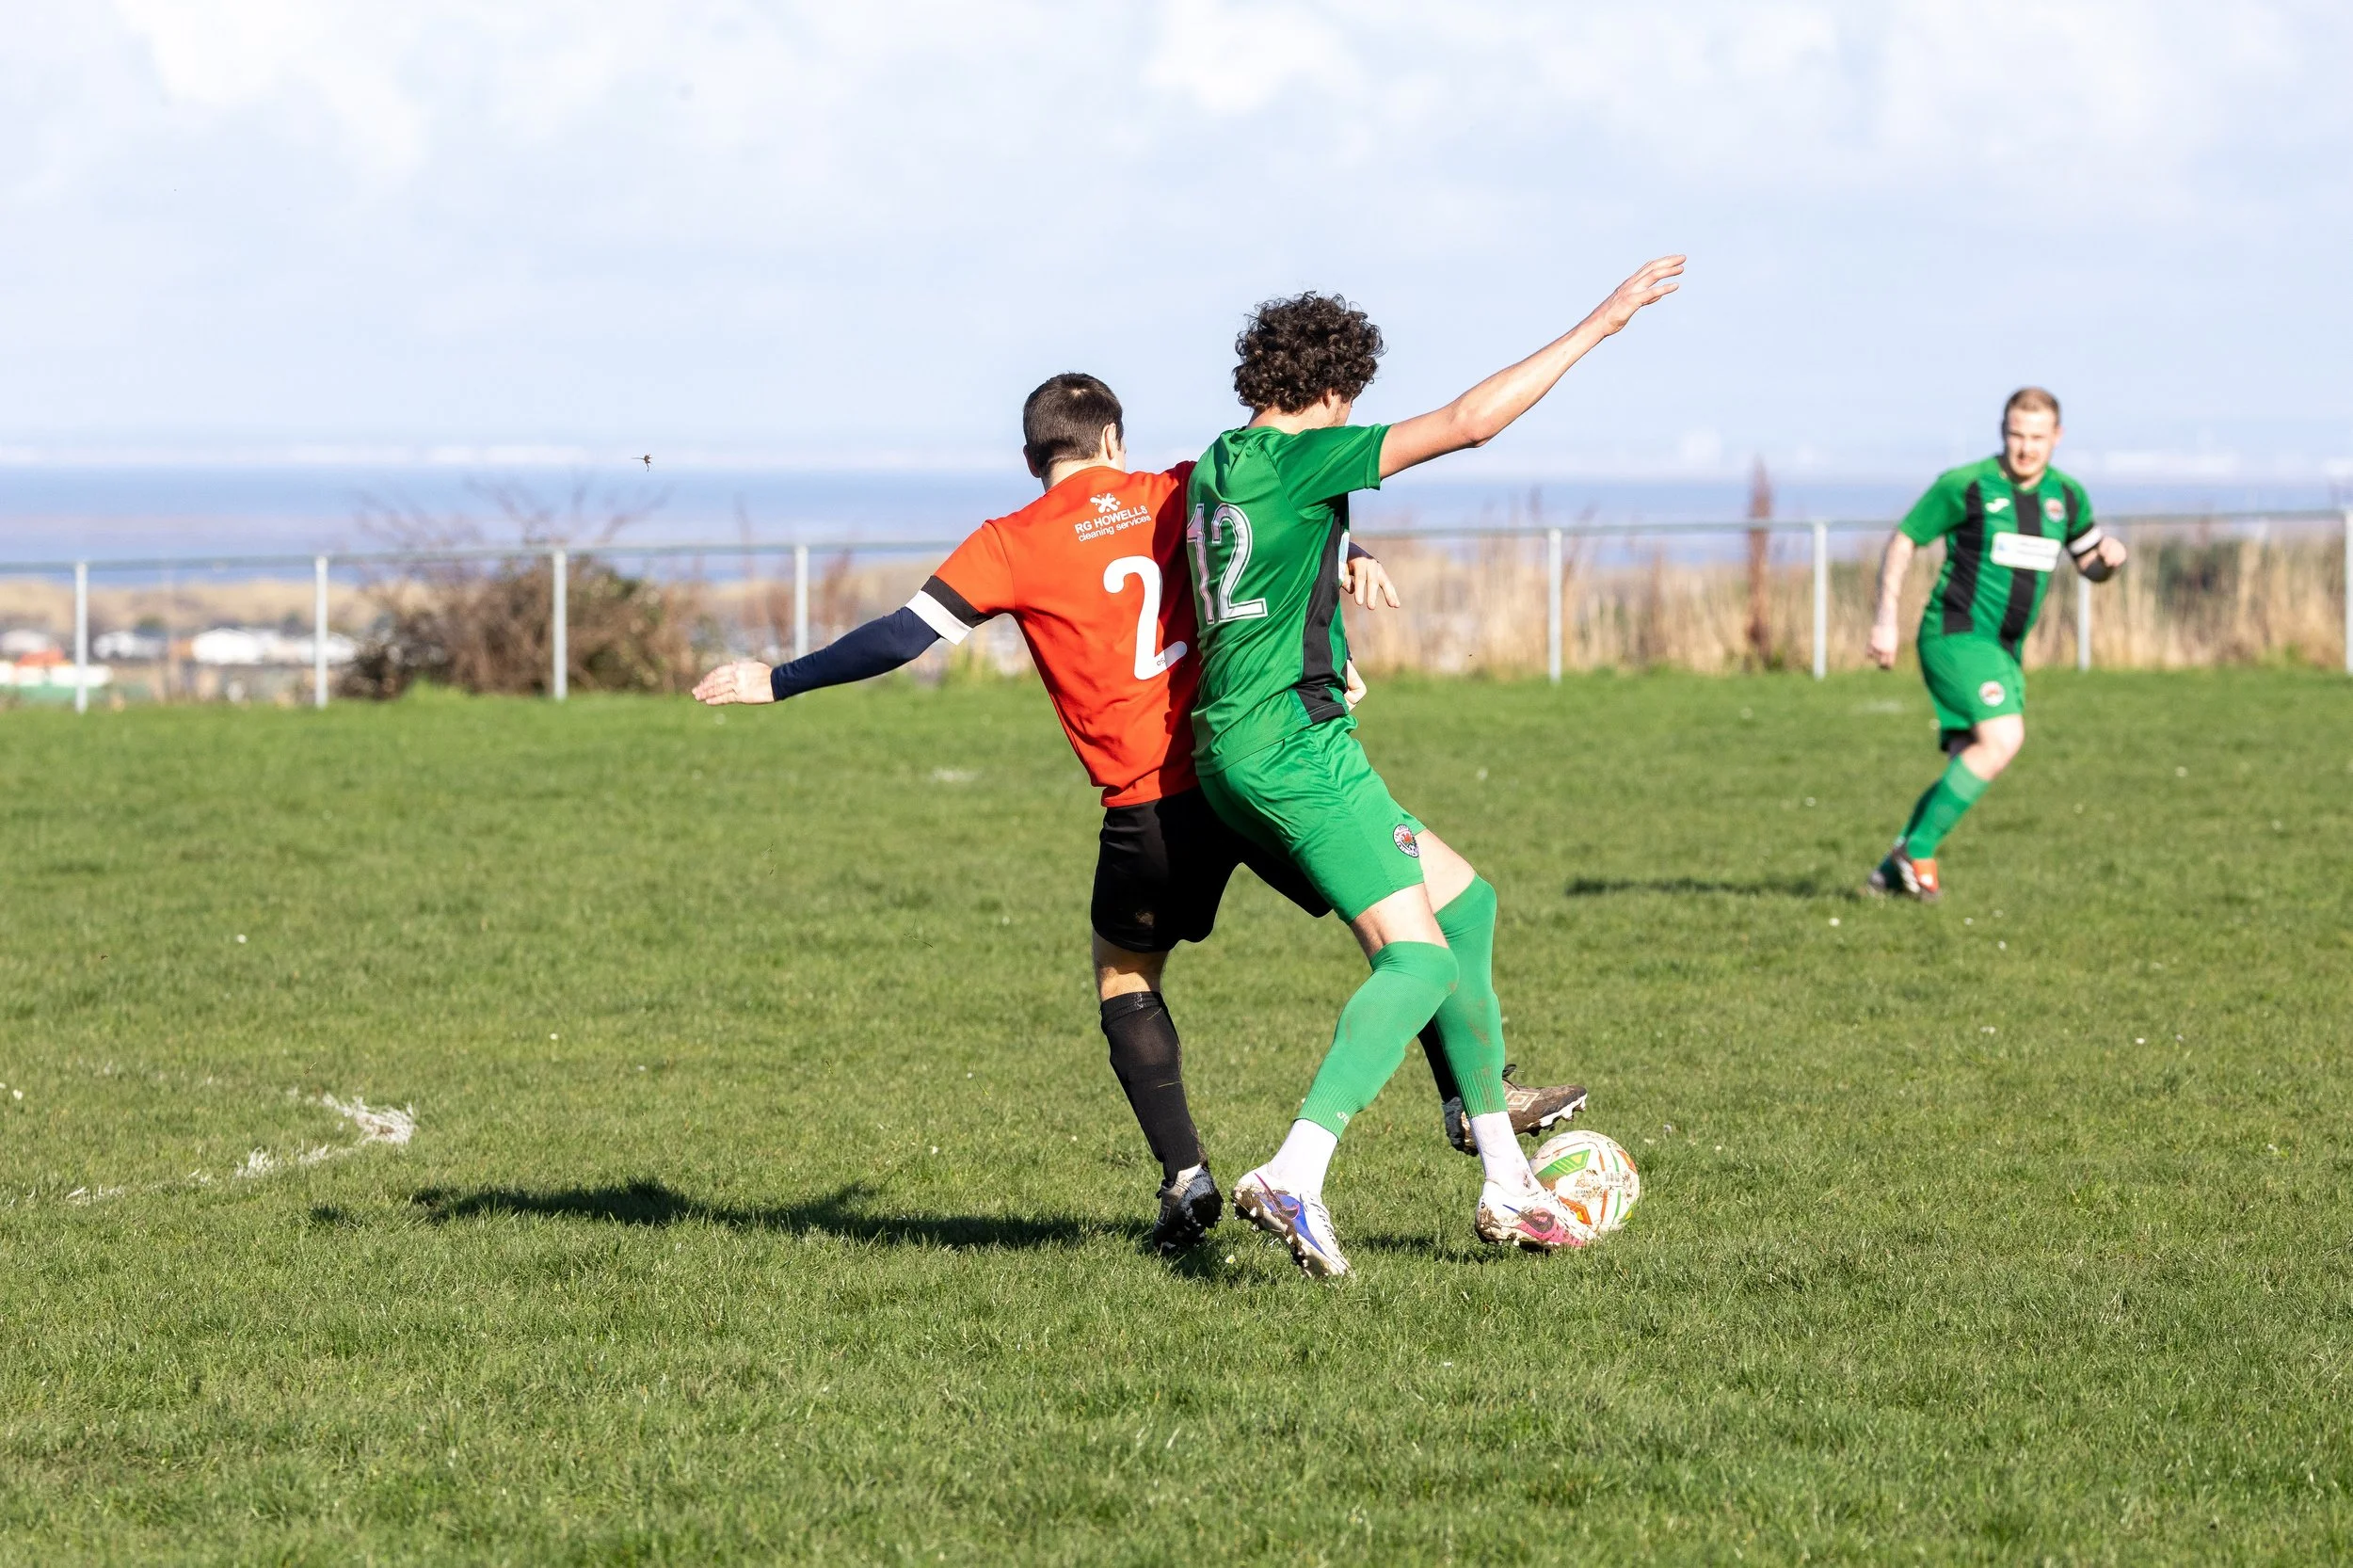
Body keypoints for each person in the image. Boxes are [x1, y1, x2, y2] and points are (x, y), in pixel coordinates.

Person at [692, 374, 1586, 1256]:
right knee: (1411, 914)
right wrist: (1353, 552)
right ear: (1114, 441)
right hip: (1249, 774)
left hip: (1150, 810)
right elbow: (1280, 525)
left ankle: (1187, 1176)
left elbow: (901, 635)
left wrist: (777, 680)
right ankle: (1469, 1100)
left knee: (1126, 977)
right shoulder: (1177, 491)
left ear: (1033, 458)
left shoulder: (1008, 542)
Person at [1184, 257, 1685, 1279]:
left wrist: (1342, 559)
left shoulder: (1219, 462)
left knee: (1466, 905)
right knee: (1417, 962)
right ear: (1332, 392)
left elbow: (1269, 553)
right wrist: (1600, 323)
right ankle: (1294, 1171)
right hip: (1294, 749)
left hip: (1242, 742)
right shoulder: (1307, 457)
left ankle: (1505, 1176)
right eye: (1350, 402)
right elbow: (1467, 422)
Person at [1864, 388, 2127, 901]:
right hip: (1955, 634)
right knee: (2004, 738)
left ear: (2057, 437)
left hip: (2004, 649)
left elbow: (2089, 564)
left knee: (1972, 754)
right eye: (2015, 435)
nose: (2025, 448)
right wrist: (1885, 620)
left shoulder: (2067, 496)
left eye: (2036, 437)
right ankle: (1917, 851)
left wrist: (2109, 562)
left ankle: (1890, 873)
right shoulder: (1967, 484)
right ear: (2002, 432)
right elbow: (1905, 538)